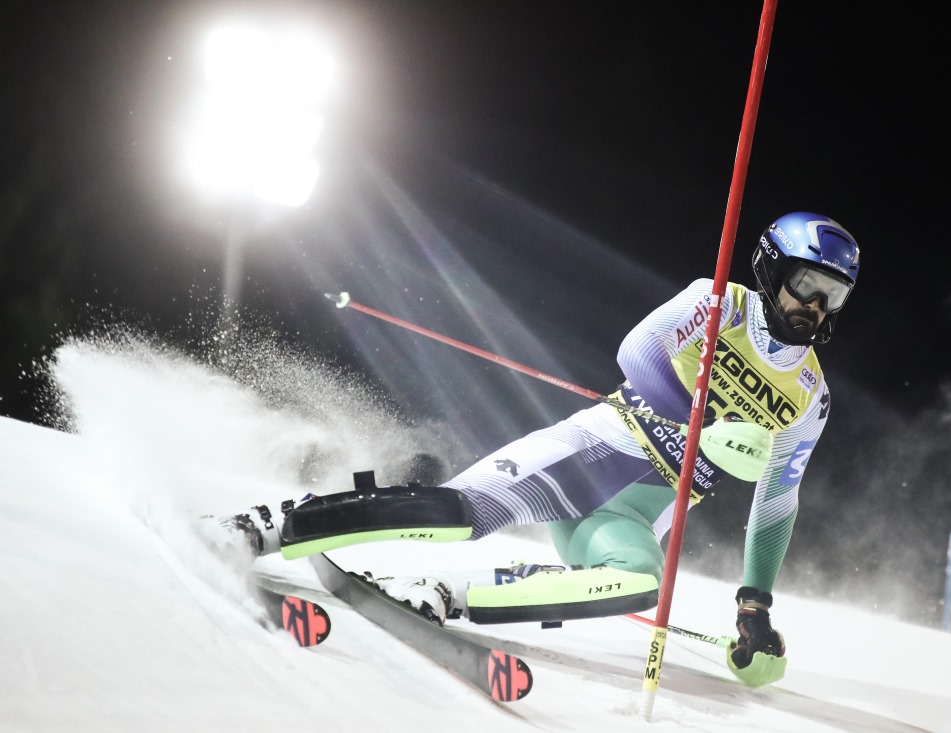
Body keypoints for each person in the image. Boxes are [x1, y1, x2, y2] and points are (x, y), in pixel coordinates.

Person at [208, 211, 861, 682]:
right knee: (456, 514)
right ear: (773, 267)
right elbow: (637, 351)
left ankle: (438, 590)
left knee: (638, 582)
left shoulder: (809, 397)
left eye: (834, 296)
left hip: (631, 516)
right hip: (594, 453)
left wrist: (754, 605)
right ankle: (274, 522)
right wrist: (698, 423)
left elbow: (777, 501)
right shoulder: (718, 302)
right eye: (809, 285)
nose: (818, 307)